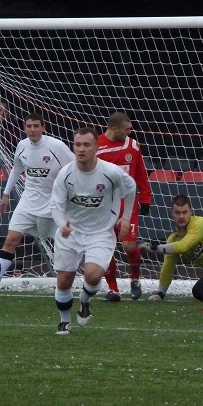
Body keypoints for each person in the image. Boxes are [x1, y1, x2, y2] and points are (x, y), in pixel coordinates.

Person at [0, 113, 74, 300]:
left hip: (53, 205)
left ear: (43, 128)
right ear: (25, 128)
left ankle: (68, 286)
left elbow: (74, 168)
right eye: (29, 126)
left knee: (62, 247)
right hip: (28, 202)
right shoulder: (22, 146)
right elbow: (16, 170)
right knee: (11, 240)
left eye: (36, 126)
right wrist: (6, 194)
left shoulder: (57, 146)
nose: (32, 130)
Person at [49, 127, 137, 335]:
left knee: (93, 275)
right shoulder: (65, 174)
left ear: (96, 148)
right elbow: (55, 205)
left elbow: (131, 187)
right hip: (71, 232)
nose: (81, 149)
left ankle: (85, 300)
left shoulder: (111, 172)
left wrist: (126, 217)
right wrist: (62, 224)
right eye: (78, 145)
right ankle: (64, 321)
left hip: (100, 232)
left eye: (87, 145)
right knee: (64, 280)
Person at [97, 112, 152, 301]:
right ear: (114, 128)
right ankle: (113, 289)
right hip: (103, 205)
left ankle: (135, 278)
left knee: (129, 245)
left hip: (127, 203)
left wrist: (146, 198)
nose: (130, 132)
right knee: (106, 248)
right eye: (127, 129)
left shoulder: (133, 146)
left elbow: (141, 173)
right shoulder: (96, 146)